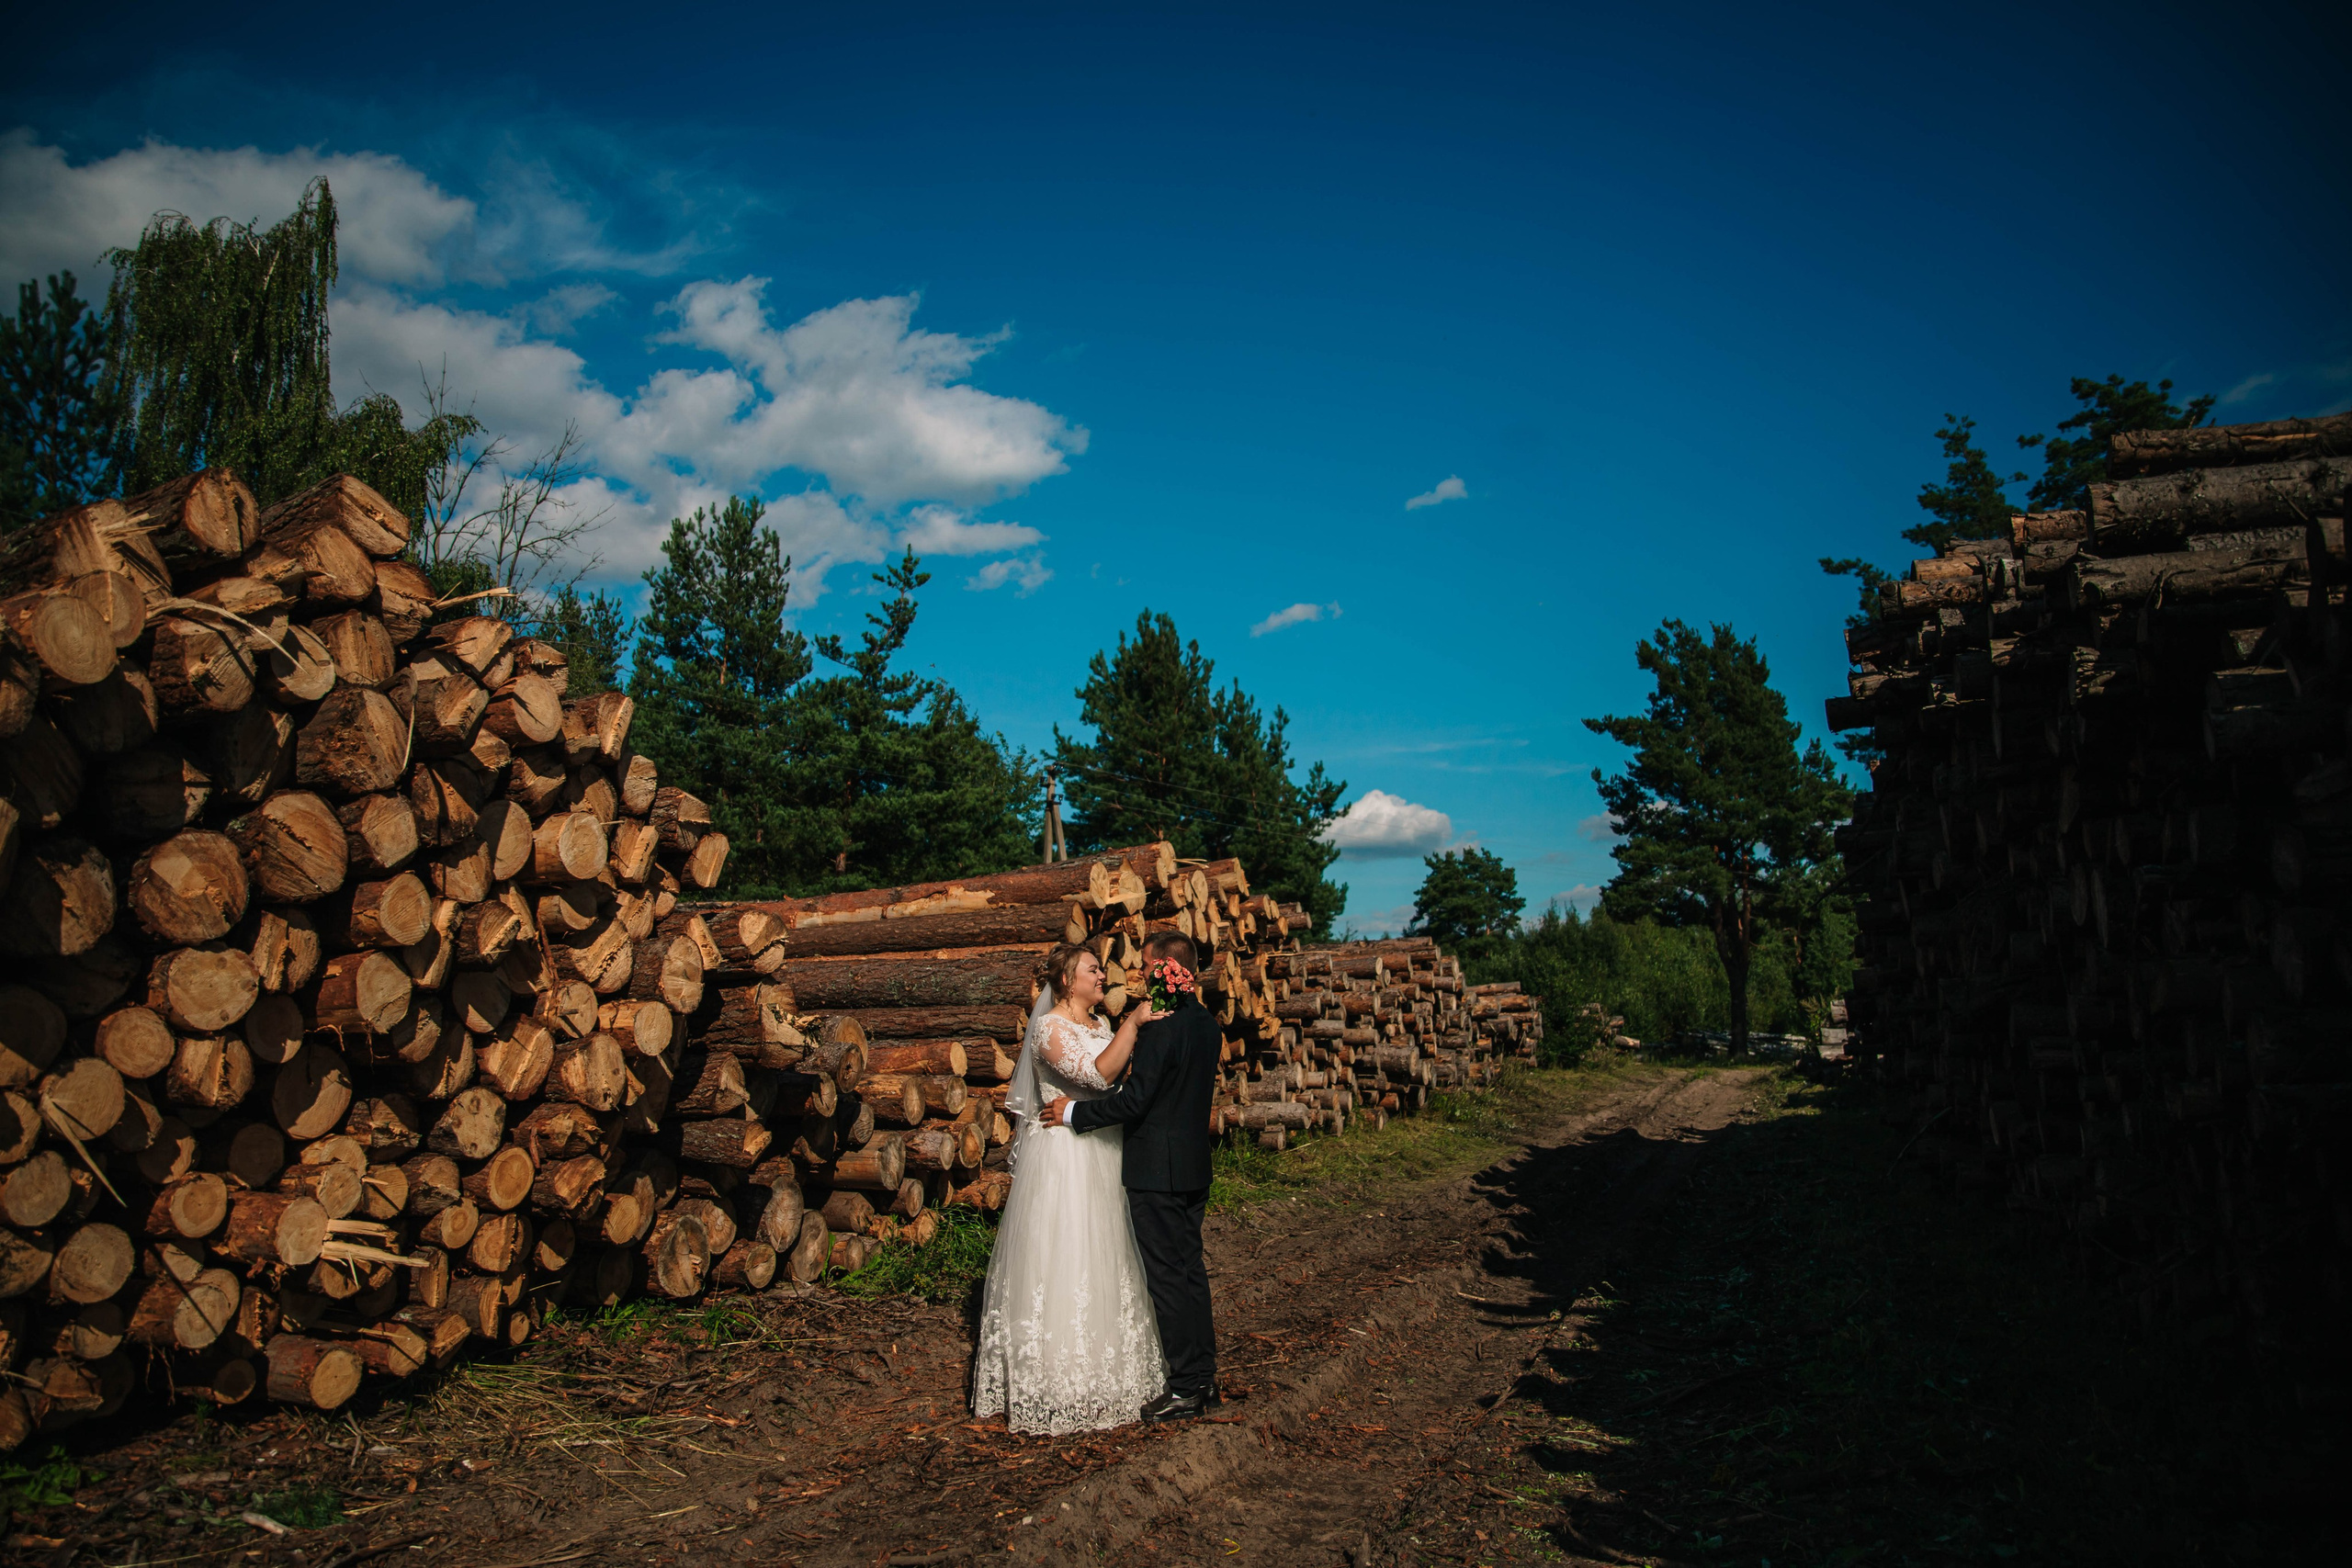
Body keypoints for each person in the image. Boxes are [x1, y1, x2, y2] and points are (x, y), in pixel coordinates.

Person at [970, 943, 1170, 1433]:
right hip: (1064, 1163)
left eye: (1101, 968)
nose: (1102, 975)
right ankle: (1056, 1383)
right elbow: (1097, 1075)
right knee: (1066, 1260)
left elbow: (1116, 1082)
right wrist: (1135, 1024)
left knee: (1109, 1259)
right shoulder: (1048, 1028)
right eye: (1092, 969)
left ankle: (1106, 1379)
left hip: (1103, 1151)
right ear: (1065, 980)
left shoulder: (1099, 1026)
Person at [1043, 931, 1221, 1425]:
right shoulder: (1207, 1025)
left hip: (1155, 1172)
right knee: (1191, 1273)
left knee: (1166, 1280)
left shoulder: (1161, 1028)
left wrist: (1075, 1115)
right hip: (1192, 1166)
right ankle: (1205, 1379)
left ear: (1166, 967)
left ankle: (1185, 1387)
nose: (1138, 974)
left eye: (1145, 965)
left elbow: (1134, 1101)